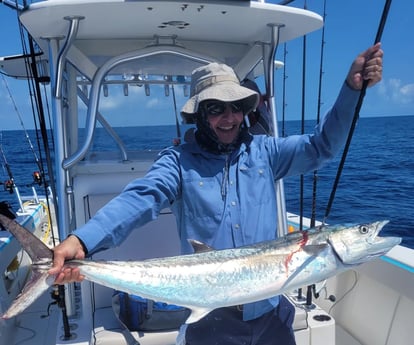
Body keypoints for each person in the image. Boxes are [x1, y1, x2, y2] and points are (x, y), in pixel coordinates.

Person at [49, 43, 383, 344]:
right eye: (216, 109)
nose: (229, 117)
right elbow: (139, 200)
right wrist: (82, 242)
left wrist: (351, 91)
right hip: (211, 321)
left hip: (270, 316)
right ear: (199, 115)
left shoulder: (267, 153)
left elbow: (321, 146)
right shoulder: (178, 163)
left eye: (236, 107)